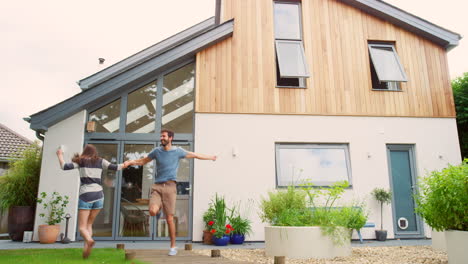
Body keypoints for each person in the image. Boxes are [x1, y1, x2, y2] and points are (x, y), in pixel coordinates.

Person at [124, 129, 216, 256]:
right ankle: (159, 208)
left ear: (171, 138)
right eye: (161, 136)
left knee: (169, 219)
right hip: (157, 187)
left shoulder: (178, 151)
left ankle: (173, 246)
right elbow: (143, 161)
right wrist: (130, 162)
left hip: (170, 187)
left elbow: (194, 155)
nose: (161, 138)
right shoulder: (157, 151)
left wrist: (210, 157)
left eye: (164, 136)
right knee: (152, 211)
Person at [56, 144, 126, 259]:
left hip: (86, 195)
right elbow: (117, 167)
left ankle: (89, 240)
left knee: (82, 227)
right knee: (89, 224)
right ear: (95, 152)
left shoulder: (81, 161)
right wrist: (128, 163)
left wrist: (60, 155)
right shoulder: (100, 161)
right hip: (99, 195)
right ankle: (86, 249)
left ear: (85, 151)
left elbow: (64, 166)